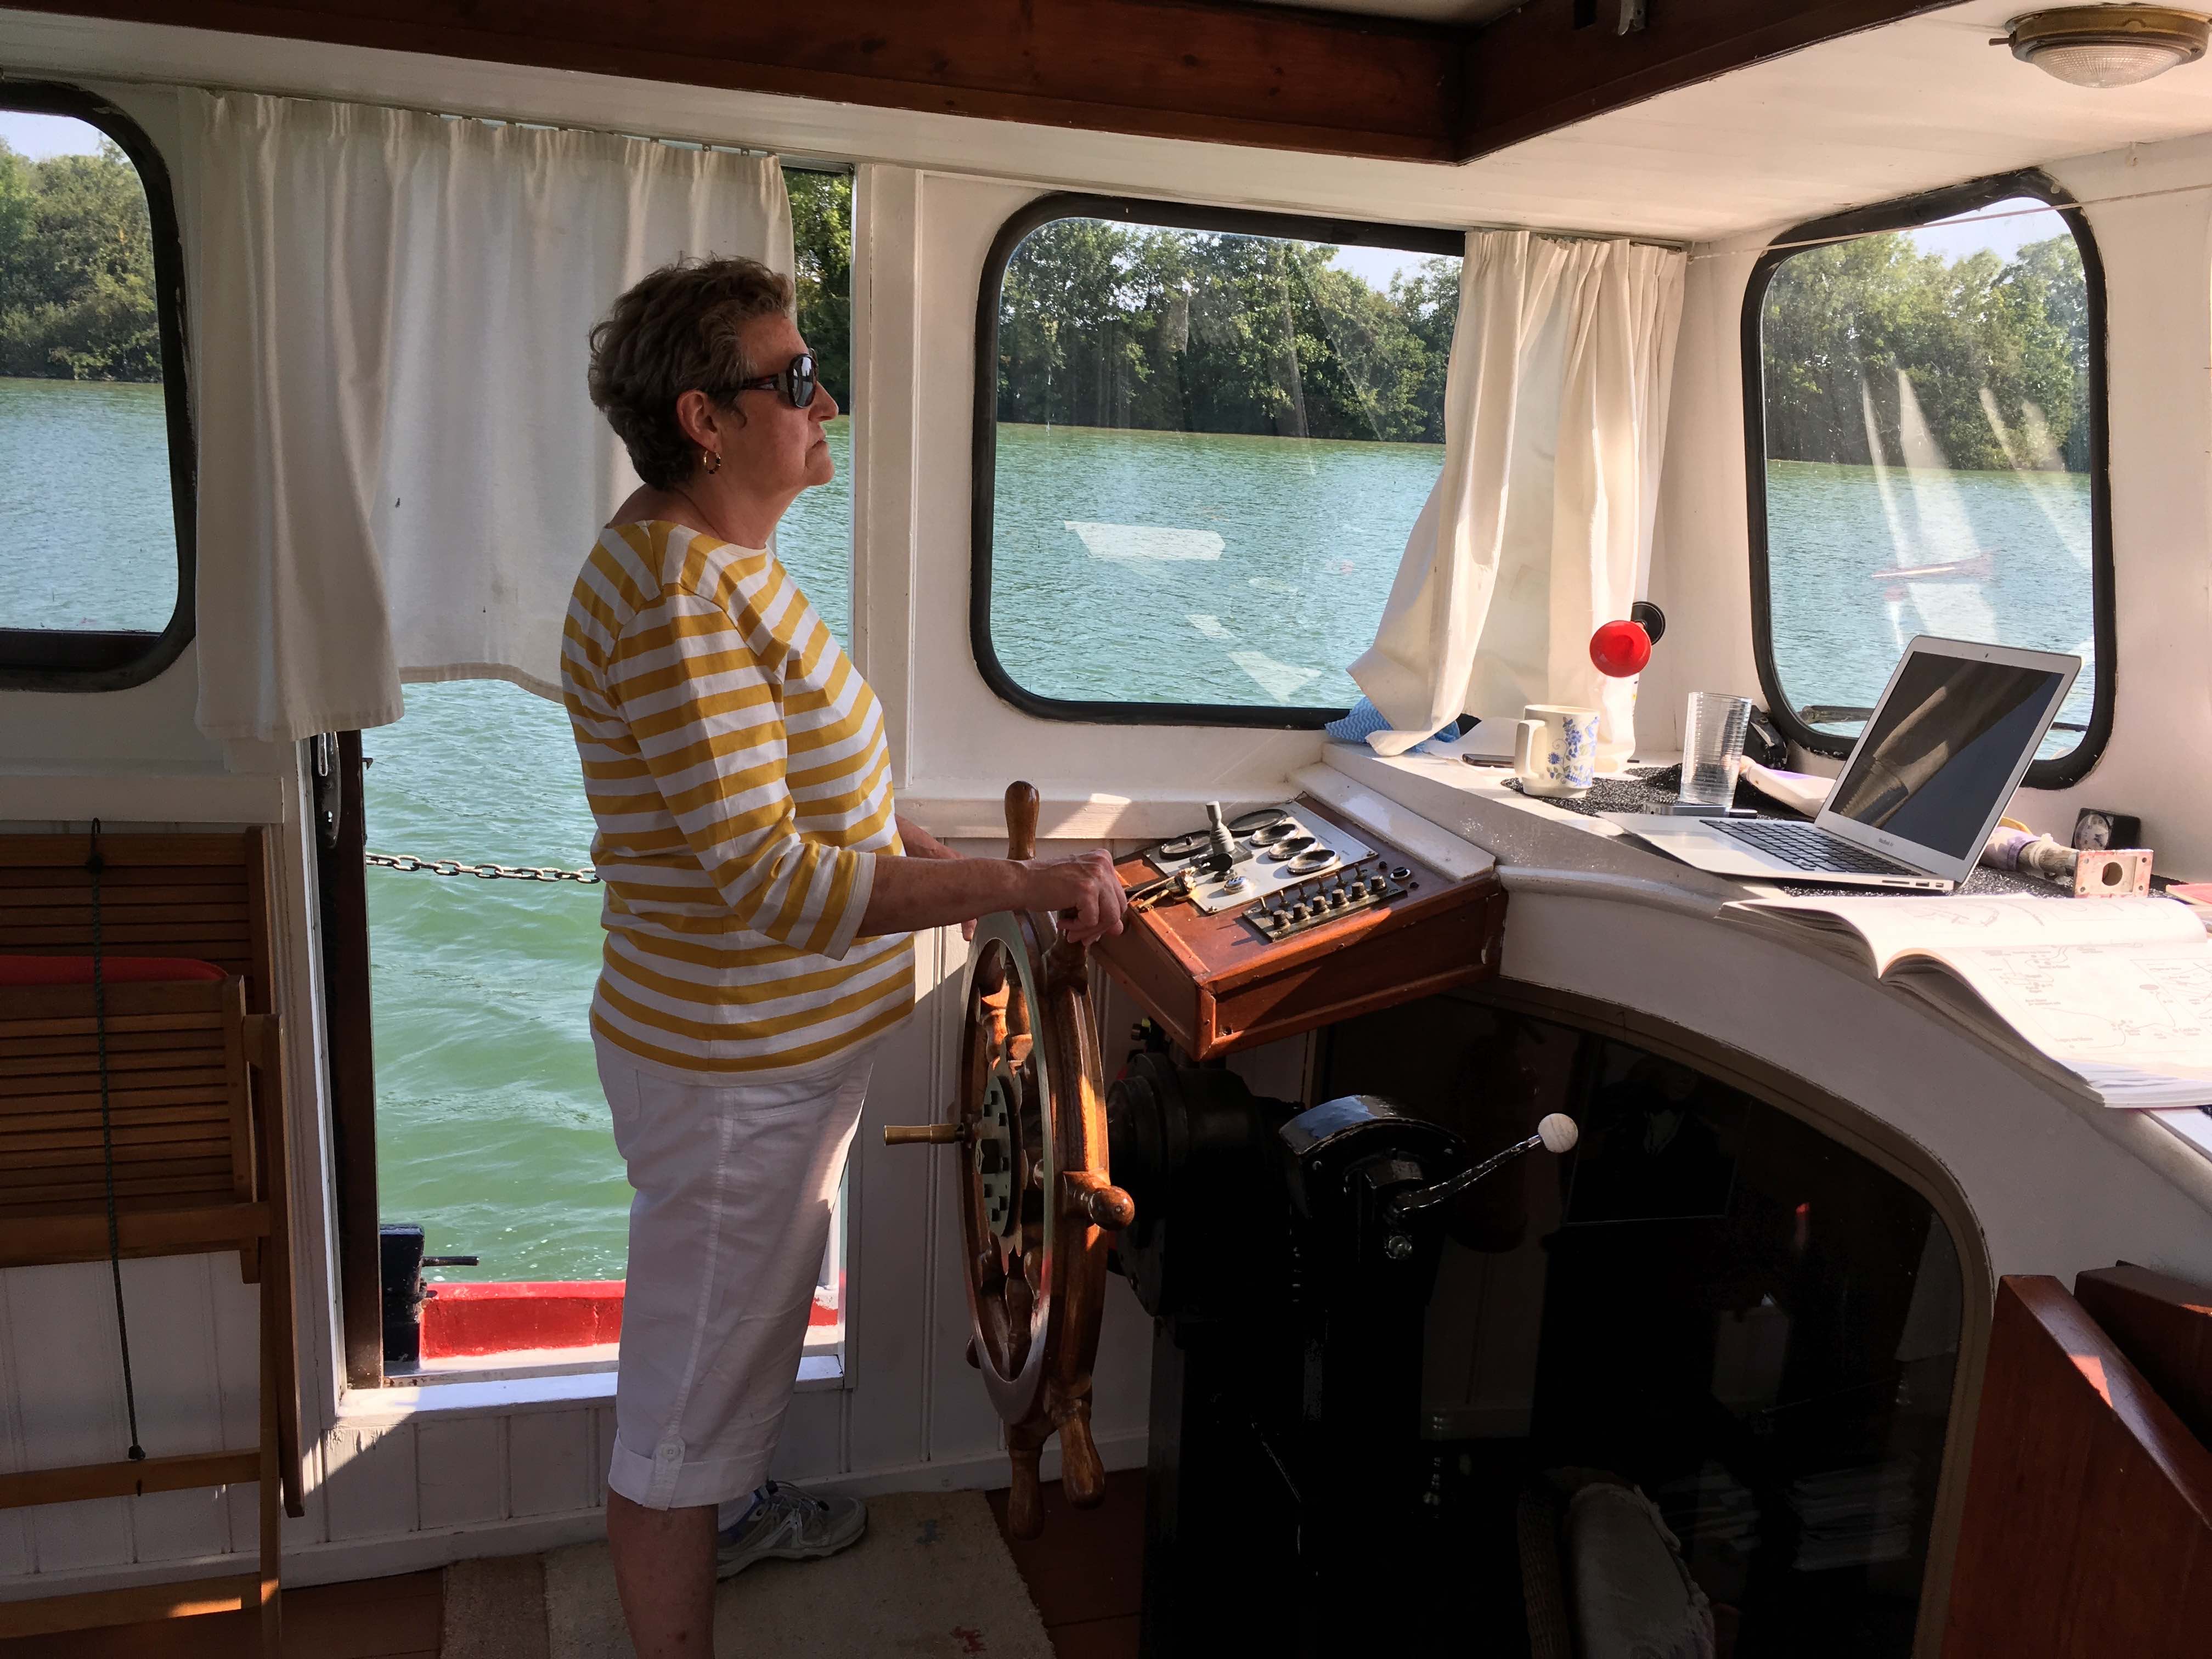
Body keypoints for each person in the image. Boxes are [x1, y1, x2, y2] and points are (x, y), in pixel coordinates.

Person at [566, 255, 1124, 1658]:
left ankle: (732, 1507)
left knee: (720, 1373)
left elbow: (824, 806)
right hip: (730, 1073)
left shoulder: (715, 564)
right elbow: (771, 878)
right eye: (798, 379)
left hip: (758, 1059)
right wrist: (1018, 883)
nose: (831, 403)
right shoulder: (680, 598)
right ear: (706, 419)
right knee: (679, 1424)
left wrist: (949, 865)